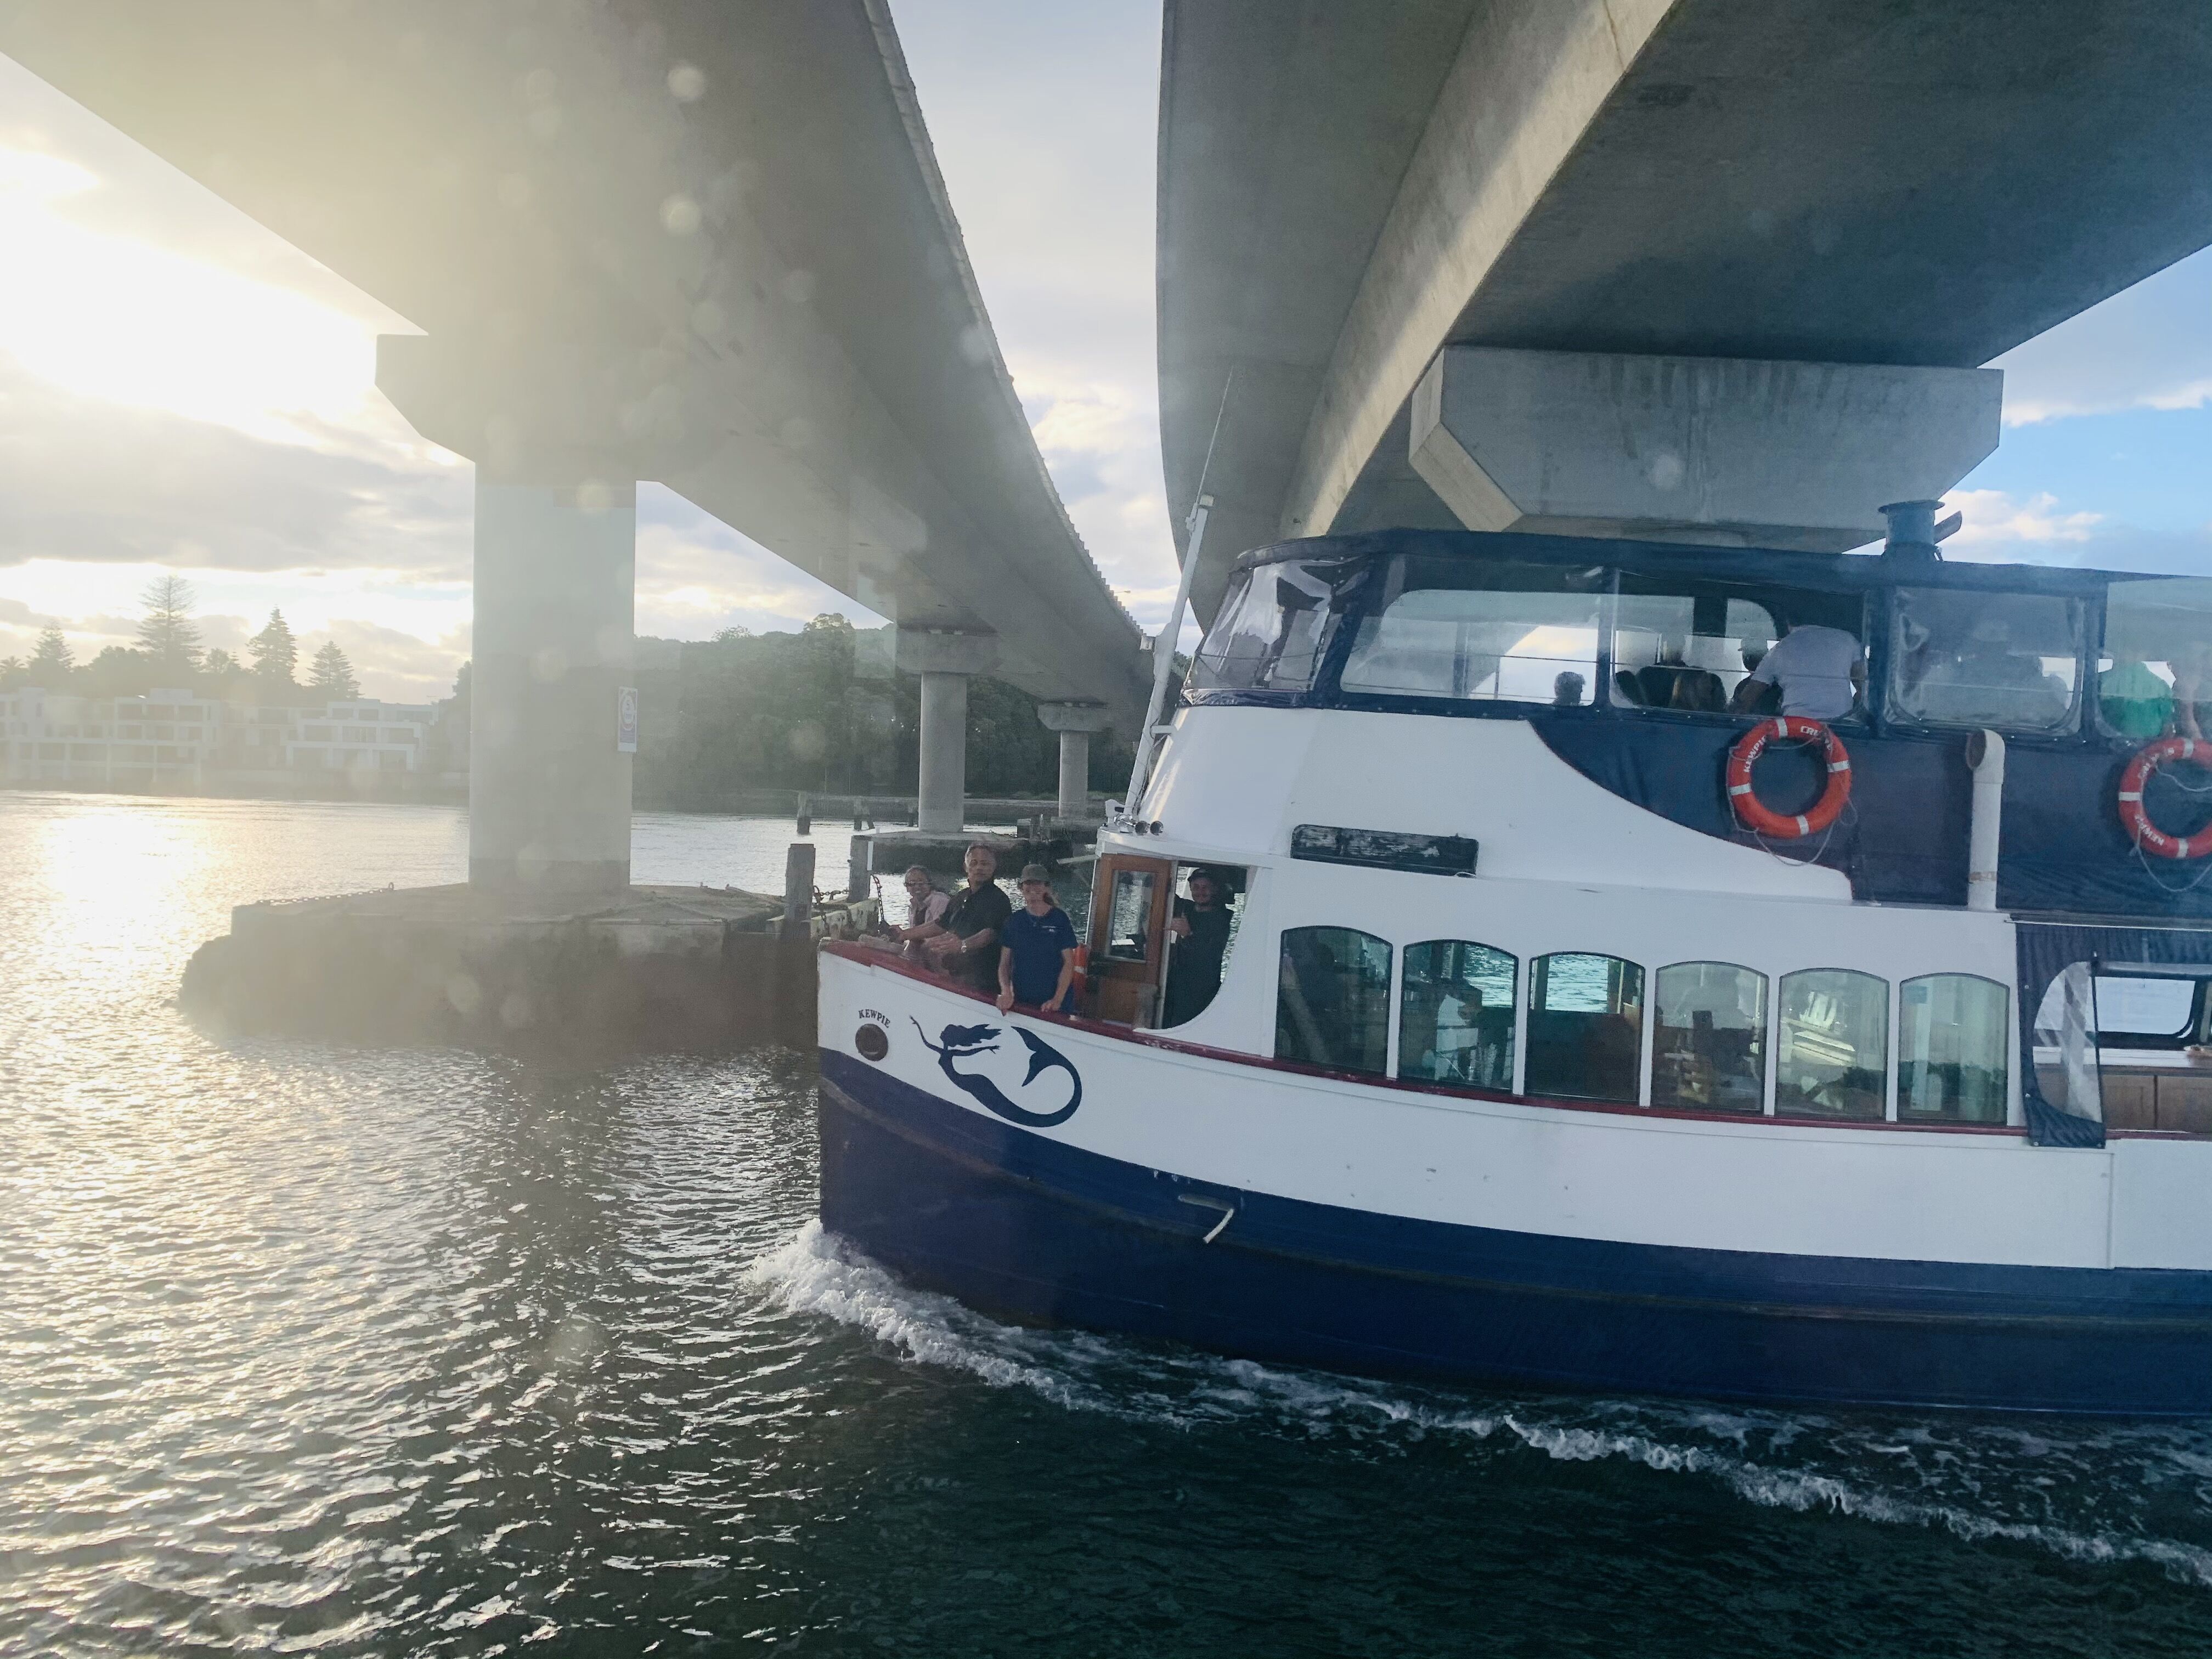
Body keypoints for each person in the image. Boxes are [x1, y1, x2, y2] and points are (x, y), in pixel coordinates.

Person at [921, 842, 1012, 994]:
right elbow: (940, 924)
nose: (979, 868)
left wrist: (962, 945)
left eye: (985, 864)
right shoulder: (960, 897)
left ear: (994, 867)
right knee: (927, 948)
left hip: (981, 980)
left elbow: (990, 933)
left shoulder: (999, 900)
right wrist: (905, 934)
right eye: (974, 863)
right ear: (966, 867)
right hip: (953, 973)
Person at [1729, 621, 1863, 719]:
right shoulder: (1849, 641)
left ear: (1788, 623)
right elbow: (1865, 689)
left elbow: (1747, 699)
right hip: (1842, 730)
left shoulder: (1781, 649)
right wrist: (1851, 714)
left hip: (1794, 730)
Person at [997, 864, 1079, 1014]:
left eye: (1038, 882)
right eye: (1028, 883)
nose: (1033, 887)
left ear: (1047, 887)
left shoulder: (1060, 919)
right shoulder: (1014, 921)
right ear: (1021, 887)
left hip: (1056, 1005)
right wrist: (1006, 992)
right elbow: (1004, 963)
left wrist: (1057, 1000)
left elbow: (1069, 963)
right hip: (1023, 1001)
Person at [1163, 866, 1234, 1026]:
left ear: (1215, 889)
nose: (1200, 892)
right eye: (1195, 887)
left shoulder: (1221, 920)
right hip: (1176, 985)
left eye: (1205, 887)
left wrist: (1188, 934)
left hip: (1200, 990)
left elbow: (1209, 956)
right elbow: (1163, 893)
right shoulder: (1187, 908)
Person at [2098, 646, 2175, 739]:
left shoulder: (2099, 681)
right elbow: (2167, 730)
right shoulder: (2162, 686)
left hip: (2104, 747)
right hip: (2150, 750)